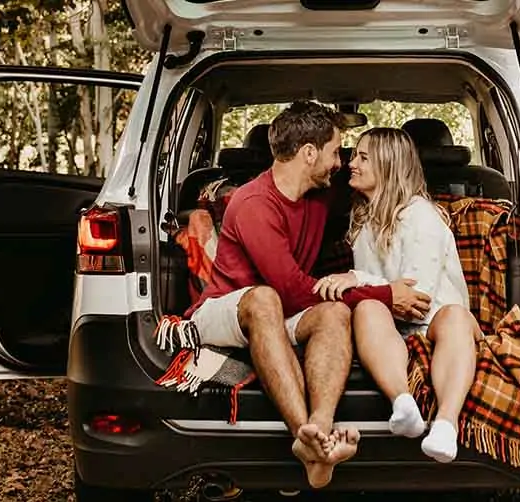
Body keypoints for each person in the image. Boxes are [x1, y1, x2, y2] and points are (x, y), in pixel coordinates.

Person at [182, 103, 433, 488]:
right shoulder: (252, 204)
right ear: (309, 153)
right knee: (265, 298)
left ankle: (320, 429)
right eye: (336, 152)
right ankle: (305, 439)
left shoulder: (322, 195)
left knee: (334, 312)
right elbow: (292, 291)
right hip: (225, 308)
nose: (341, 163)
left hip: (281, 309)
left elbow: (383, 190)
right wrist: (384, 294)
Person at [312, 127, 480, 463]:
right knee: (366, 309)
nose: (351, 164)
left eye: (362, 157)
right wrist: (362, 287)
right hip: (392, 322)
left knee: (456, 317)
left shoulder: (421, 215)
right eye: (352, 156)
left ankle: (446, 425)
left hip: (434, 317)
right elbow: (386, 297)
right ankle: (403, 404)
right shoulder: (363, 218)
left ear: (388, 165)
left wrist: (355, 278)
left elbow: (418, 299)